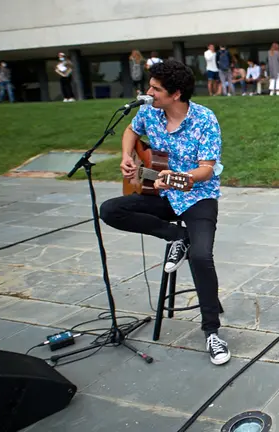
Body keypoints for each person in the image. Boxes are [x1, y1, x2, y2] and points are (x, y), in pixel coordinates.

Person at [98, 60, 230, 366]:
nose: (149, 92)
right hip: (164, 195)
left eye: (155, 89)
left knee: (200, 256)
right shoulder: (149, 113)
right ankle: (176, 236)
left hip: (198, 196)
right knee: (111, 210)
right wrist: (127, 155)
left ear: (176, 94)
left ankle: (212, 331)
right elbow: (131, 130)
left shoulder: (205, 119)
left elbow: (207, 169)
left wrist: (177, 177)